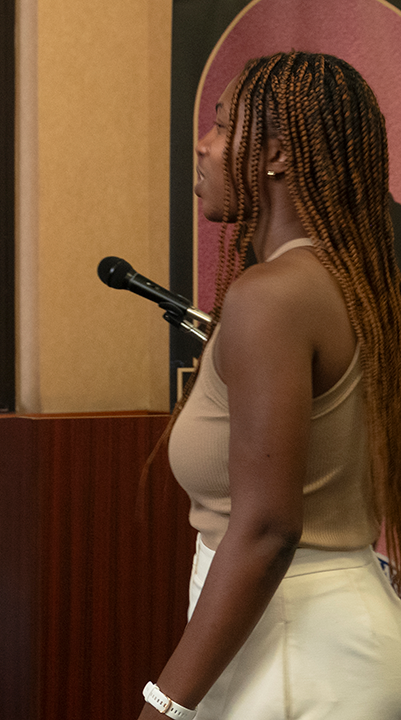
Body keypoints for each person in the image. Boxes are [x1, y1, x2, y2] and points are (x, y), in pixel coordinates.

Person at [140, 52, 401, 720]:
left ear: (278, 153)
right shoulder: (352, 282)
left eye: (224, 126)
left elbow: (265, 529)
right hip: (312, 637)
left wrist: (164, 704)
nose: (203, 144)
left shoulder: (273, 296)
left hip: (297, 650)